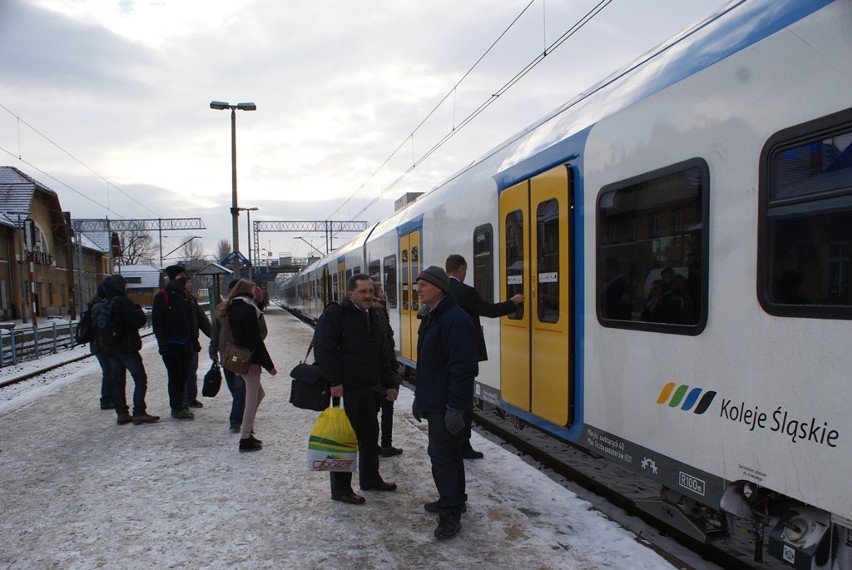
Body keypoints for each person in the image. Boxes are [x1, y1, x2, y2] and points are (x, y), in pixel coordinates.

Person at [313, 273, 398, 505]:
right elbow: (324, 349)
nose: (368, 295)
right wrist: (334, 381)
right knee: (343, 440)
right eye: (363, 291)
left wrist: (389, 383)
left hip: (367, 389)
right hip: (345, 389)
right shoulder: (336, 314)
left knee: (370, 436)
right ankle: (341, 489)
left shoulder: (371, 314)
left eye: (371, 291)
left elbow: (380, 352)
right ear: (350, 293)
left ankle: (370, 479)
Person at [411, 265, 479, 540]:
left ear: (438, 287)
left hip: (446, 403)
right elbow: (429, 365)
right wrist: (419, 398)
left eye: (423, 285)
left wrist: (455, 408)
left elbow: (463, 369)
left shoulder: (454, 319)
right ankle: (455, 499)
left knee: (443, 458)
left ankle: (450, 514)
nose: (418, 289)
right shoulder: (434, 317)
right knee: (447, 455)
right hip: (435, 399)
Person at [445, 254, 523, 460]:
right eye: (466, 270)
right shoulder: (465, 291)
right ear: (461, 269)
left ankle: (453, 442)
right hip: (465, 355)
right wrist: (512, 302)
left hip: (447, 355)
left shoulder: (441, 290)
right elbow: (489, 310)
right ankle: (463, 446)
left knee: (451, 401)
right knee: (464, 403)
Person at [222, 279, 277, 452]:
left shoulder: (234, 307)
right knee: (252, 399)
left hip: (241, 356)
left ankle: (248, 430)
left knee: (259, 394)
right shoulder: (248, 309)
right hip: (250, 359)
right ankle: (245, 438)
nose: (256, 291)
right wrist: (269, 366)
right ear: (247, 290)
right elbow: (255, 340)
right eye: (254, 288)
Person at [152, 265, 211, 421]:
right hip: (172, 346)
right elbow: (157, 324)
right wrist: (163, 346)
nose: (188, 281)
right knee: (175, 377)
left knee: (185, 375)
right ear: (175, 278)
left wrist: (215, 337)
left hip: (187, 345)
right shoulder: (162, 297)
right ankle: (177, 407)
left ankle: (183, 403)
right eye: (183, 277)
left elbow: (201, 320)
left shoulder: (188, 297)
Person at [100, 274, 160, 426]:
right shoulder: (123, 302)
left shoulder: (104, 303)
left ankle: (122, 413)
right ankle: (139, 412)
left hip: (111, 350)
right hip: (127, 348)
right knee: (140, 379)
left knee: (118, 382)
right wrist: (138, 310)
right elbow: (138, 321)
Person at [209, 279, 246, 433]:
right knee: (235, 387)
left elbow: (260, 331)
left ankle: (235, 420)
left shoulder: (247, 307)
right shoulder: (221, 309)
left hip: (239, 353)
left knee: (239, 388)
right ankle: (240, 412)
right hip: (226, 353)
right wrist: (213, 350)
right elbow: (215, 332)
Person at [372, 282, 402, 457]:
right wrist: (394, 365)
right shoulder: (379, 310)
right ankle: (385, 445)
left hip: (375, 369)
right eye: (382, 291)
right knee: (387, 408)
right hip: (383, 370)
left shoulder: (372, 310)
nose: (385, 294)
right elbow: (385, 343)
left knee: (374, 409)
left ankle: (373, 444)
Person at [88, 284, 113, 410]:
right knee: (108, 372)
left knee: (109, 371)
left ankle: (108, 398)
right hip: (101, 345)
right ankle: (106, 400)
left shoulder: (96, 303)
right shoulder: (99, 306)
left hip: (99, 344)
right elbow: (101, 326)